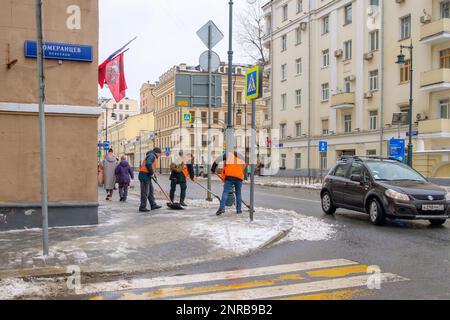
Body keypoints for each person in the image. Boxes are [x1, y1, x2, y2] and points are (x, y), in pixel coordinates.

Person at [211, 151, 247, 216]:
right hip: (239, 178)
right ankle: (239, 210)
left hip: (229, 177)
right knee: (238, 193)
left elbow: (217, 160)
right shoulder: (241, 158)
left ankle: (222, 208)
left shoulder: (228, 155)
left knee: (225, 192)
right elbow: (244, 167)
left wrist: (213, 169)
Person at [138, 147, 162, 212]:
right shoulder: (152, 156)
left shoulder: (151, 155)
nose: (159, 156)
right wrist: (151, 173)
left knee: (150, 190)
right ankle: (142, 207)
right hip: (144, 176)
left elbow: (152, 168)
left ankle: (153, 205)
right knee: (145, 192)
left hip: (147, 176)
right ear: (157, 153)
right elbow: (148, 164)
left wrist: (154, 177)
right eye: (160, 154)